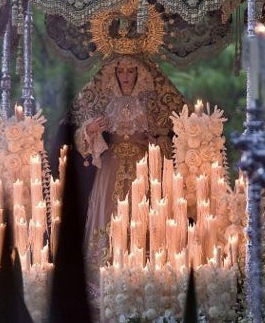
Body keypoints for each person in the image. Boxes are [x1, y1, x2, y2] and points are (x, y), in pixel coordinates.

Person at [69, 54, 184, 289]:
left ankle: (144, 266)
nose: (125, 77)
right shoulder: (104, 102)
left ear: (139, 74)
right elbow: (81, 139)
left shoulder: (152, 104)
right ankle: (106, 268)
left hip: (143, 163)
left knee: (142, 207)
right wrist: (90, 129)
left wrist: (155, 140)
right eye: (121, 72)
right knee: (109, 209)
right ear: (114, 75)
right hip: (112, 163)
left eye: (130, 71)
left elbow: (169, 137)